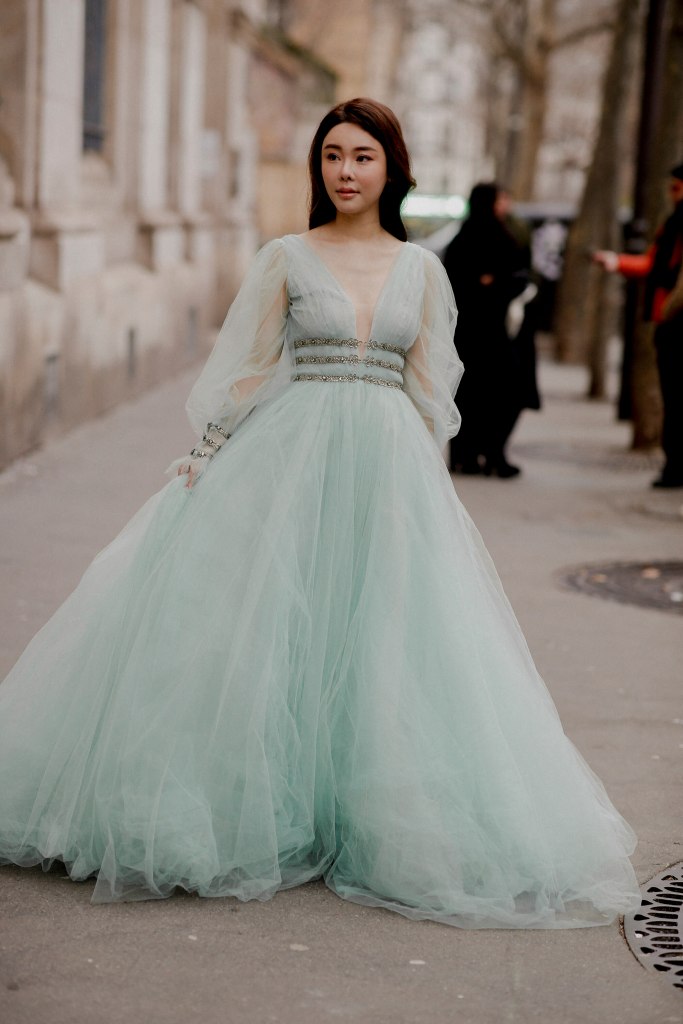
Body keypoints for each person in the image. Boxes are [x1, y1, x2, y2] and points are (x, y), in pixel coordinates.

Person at [0, 99, 640, 927]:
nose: (345, 171)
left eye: (362, 157)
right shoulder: (285, 257)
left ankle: (362, 805)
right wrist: (206, 455)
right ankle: (255, 804)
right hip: (288, 454)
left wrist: (425, 484)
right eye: (332, 155)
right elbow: (246, 365)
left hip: (387, 467)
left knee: (379, 634)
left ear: (391, 169)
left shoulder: (421, 269)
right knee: (267, 626)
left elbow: (430, 385)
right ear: (318, 168)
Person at [594, 161, 683, 489]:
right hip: (669, 320)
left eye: (676, 187)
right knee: (673, 398)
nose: (672, 194)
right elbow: (651, 262)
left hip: (674, 322)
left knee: (675, 398)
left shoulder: (678, 223)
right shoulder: (672, 223)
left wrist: (671, 309)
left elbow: (658, 267)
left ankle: (675, 468)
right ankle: (674, 466)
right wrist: (617, 262)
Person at [443, 182, 529, 478]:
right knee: (488, 393)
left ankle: (476, 455)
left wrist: (491, 282)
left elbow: (513, 277)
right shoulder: (485, 237)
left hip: (478, 333)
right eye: (501, 198)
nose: (506, 205)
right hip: (484, 333)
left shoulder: (471, 237)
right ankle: (484, 454)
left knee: (480, 393)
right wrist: (488, 283)